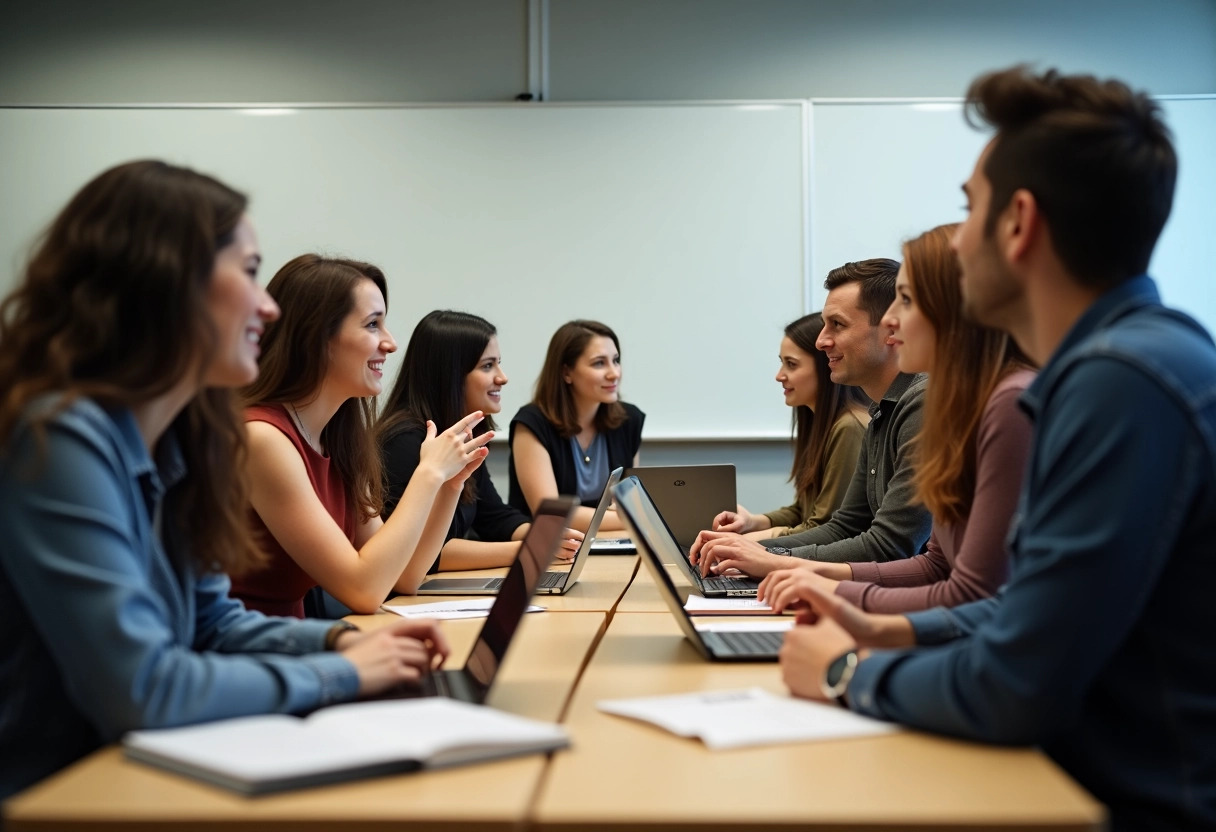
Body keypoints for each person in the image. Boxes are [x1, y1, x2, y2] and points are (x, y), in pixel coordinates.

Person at [772, 67, 1216, 832]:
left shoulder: (1117, 383)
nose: (959, 236)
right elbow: (1025, 613)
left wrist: (850, 671)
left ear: (1019, 224)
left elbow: (1019, 680)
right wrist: (890, 629)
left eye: (967, 208)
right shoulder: (1123, 362)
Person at [0, 160, 451, 800]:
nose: (268, 307)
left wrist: (337, 640)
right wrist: (343, 673)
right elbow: (144, 687)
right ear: (165, 283)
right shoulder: (58, 438)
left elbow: (212, 623)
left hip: (145, 767)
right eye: (247, 274)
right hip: (61, 791)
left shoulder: (187, 434)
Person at [761, 223, 1034, 613]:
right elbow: (938, 565)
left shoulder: (1007, 403)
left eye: (904, 300)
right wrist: (807, 578)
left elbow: (972, 595)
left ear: (954, 307)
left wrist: (816, 584)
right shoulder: (952, 404)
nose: (891, 320)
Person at [231, 255, 492, 617]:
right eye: (372, 325)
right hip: (245, 657)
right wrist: (428, 474)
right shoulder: (263, 439)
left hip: (290, 648)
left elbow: (404, 578)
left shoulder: (339, 440)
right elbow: (364, 590)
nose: (390, 343)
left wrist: (448, 486)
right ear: (316, 336)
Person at [690, 260, 932, 577]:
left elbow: (889, 546)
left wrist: (773, 561)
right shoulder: (881, 412)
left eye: (838, 325)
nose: (821, 341)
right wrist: (752, 552)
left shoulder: (923, 405)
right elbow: (845, 526)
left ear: (891, 328)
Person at [377, 310, 583, 572]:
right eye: (487, 366)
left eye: (498, 363)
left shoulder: (462, 435)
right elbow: (423, 554)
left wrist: (551, 537)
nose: (502, 377)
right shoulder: (403, 444)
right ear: (449, 375)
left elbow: (495, 517)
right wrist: (532, 548)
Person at [711, 312, 869, 541]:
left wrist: (746, 542)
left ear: (827, 366)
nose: (779, 376)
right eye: (781, 363)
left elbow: (825, 527)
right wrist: (753, 522)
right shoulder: (821, 423)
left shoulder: (849, 427)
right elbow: (802, 511)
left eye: (791, 365)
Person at [507, 319, 644, 532]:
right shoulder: (532, 423)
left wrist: (631, 514)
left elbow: (630, 500)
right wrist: (632, 518)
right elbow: (549, 513)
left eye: (616, 360)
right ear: (566, 373)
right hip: (548, 551)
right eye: (599, 363)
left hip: (611, 543)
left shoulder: (629, 420)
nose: (614, 373)